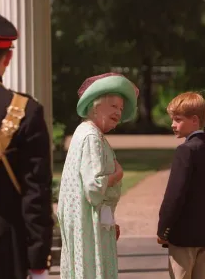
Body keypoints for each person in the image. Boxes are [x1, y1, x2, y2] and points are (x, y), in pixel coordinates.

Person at [0, 13, 53, 279]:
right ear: (8, 57)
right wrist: (38, 258)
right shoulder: (26, 111)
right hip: (5, 246)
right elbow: (36, 194)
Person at [57, 72, 139, 279]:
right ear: (95, 105)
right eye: (113, 106)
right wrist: (117, 176)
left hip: (89, 222)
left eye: (120, 108)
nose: (118, 113)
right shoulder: (92, 137)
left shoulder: (83, 132)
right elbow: (93, 189)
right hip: (90, 227)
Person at [157, 92, 205, 279]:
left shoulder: (185, 151)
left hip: (183, 237)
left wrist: (164, 229)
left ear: (194, 120)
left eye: (178, 119)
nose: (172, 124)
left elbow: (175, 195)